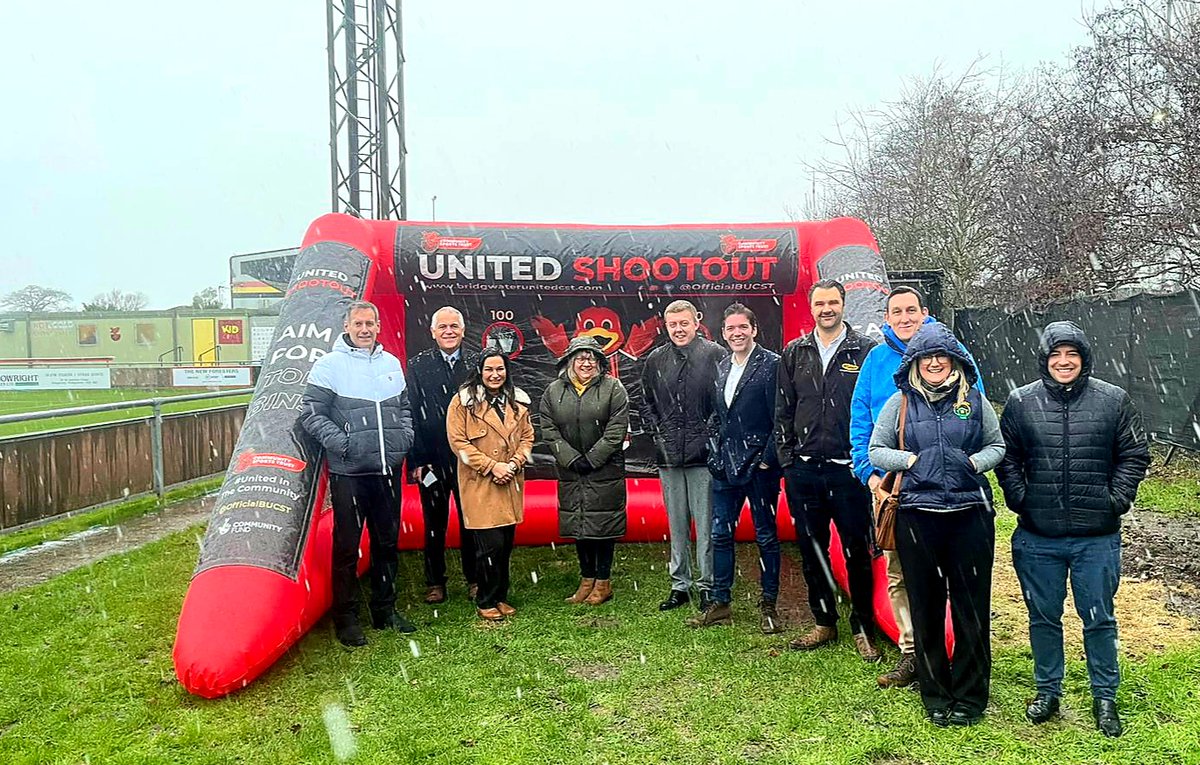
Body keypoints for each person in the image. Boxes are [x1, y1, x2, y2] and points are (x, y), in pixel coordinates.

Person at [996, 321, 1150, 738]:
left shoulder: (1113, 400)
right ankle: (1048, 690)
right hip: (1037, 536)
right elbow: (1006, 457)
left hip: (1096, 538)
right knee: (1043, 617)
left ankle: (1105, 696)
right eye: (1055, 355)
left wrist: (1114, 499)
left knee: (1099, 618)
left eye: (1072, 355)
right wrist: (1020, 498)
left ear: (1083, 359)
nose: (1064, 362)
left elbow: (1134, 454)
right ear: (1045, 361)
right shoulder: (1021, 402)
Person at [869, 321, 1005, 727]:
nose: (934, 363)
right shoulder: (900, 404)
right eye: (927, 357)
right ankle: (935, 694)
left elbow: (996, 446)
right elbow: (876, 451)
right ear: (915, 362)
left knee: (971, 610)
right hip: (918, 518)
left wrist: (973, 463)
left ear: (954, 361)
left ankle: (971, 696)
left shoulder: (976, 401)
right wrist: (910, 461)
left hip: (970, 518)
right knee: (927, 609)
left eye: (941, 356)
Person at [849, 285, 983, 687]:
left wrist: (966, 465)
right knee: (900, 573)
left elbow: (977, 416)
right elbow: (860, 423)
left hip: (954, 494)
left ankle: (961, 652)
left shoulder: (953, 353)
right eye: (896, 312)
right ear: (886, 318)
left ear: (925, 313)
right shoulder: (875, 361)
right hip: (895, 488)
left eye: (911, 310)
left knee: (956, 574)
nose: (904, 318)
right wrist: (870, 476)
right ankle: (914, 652)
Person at [775, 280, 880, 660]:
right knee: (812, 549)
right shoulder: (794, 352)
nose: (826, 309)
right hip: (804, 471)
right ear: (811, 307)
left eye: (833, 302)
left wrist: (864, 461)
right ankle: (823, 622)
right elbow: (783, 410)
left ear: (843, 305)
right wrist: (788, 461)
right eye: (819, 303)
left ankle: (863, 627)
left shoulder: (866, 351)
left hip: (848, 471)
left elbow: (874, 410)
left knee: (857, 551)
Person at [300, 300, 415, 647]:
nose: (365, 330)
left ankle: (385, 610)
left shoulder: (391, 363)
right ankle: (346, 618)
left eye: (370, 323)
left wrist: (403, 439)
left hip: (387, 471)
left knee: (387, 543)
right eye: (358, 324)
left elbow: (405, 409)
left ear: (378, 326)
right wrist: (344, 443)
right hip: (350, 473)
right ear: (346, 327)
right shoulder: (329, 365)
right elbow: (311, 413)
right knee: (347, 547)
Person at [688, 303, 783, 633]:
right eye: (730, 329)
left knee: (766, 536)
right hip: (725, 467)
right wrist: (714, 452)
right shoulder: (723, 365)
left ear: (754, 329)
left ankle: (769, 604)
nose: (737, 333)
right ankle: (720, 601)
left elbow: (781, 418)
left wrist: (768, 459)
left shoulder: (772, 365)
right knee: (720, 534)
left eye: (743, 327)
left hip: (760, 468)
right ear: (723, 334)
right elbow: (717, 416)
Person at [639, 299, 727, 612]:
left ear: (696, 322)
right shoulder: (655, 359)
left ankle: (707, 586)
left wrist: (711, 434)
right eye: (673, 324)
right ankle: (680, 586)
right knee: (676, 526)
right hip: (669, 456)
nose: (678, 329)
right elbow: (645, 400)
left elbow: (724, 400)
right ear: (666, 325)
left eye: (684, 323)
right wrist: (658, 430)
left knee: (705, 527)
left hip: (703, 457)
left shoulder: (715, 354)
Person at [540, 336, 631, 606]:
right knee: (579, 525)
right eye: (580, 357)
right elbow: (548, 428)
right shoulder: (553, 391)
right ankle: (586, 580)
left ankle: (603, 582)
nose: (586, 362)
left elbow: (616, 430)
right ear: (569, 361)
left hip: (604, 470)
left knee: (604, 526)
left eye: (591, 357)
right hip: (571, 472)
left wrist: (592, 459)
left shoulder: (614, 389)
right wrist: (570, 458)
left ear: (600, 362)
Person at [445, 348, 535, 622]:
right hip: (480, 484)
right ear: (479, 372)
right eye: (489, 370)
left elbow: (528, 438)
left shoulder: (518, 402)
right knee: (488, 546)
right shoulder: (462, 403)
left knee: (505, 544)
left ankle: (499, 596)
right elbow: (458, 443)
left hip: (510, 482)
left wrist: (514, 464)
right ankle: (485, 599)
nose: (495, 375)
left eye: (500, 369)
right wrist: (491, 466)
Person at [406, 306, 480, 604]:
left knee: (471, 522)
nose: (449, 332)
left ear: (463, 330)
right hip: (431, 461)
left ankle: (475, 579)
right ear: (433, 332)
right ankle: (435, 582)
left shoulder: (478, 363)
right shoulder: (418, 365)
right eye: (443, 327)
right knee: (433, 523)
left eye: (454, 326)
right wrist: (417, 462)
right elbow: (410, 413)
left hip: (468, 460)